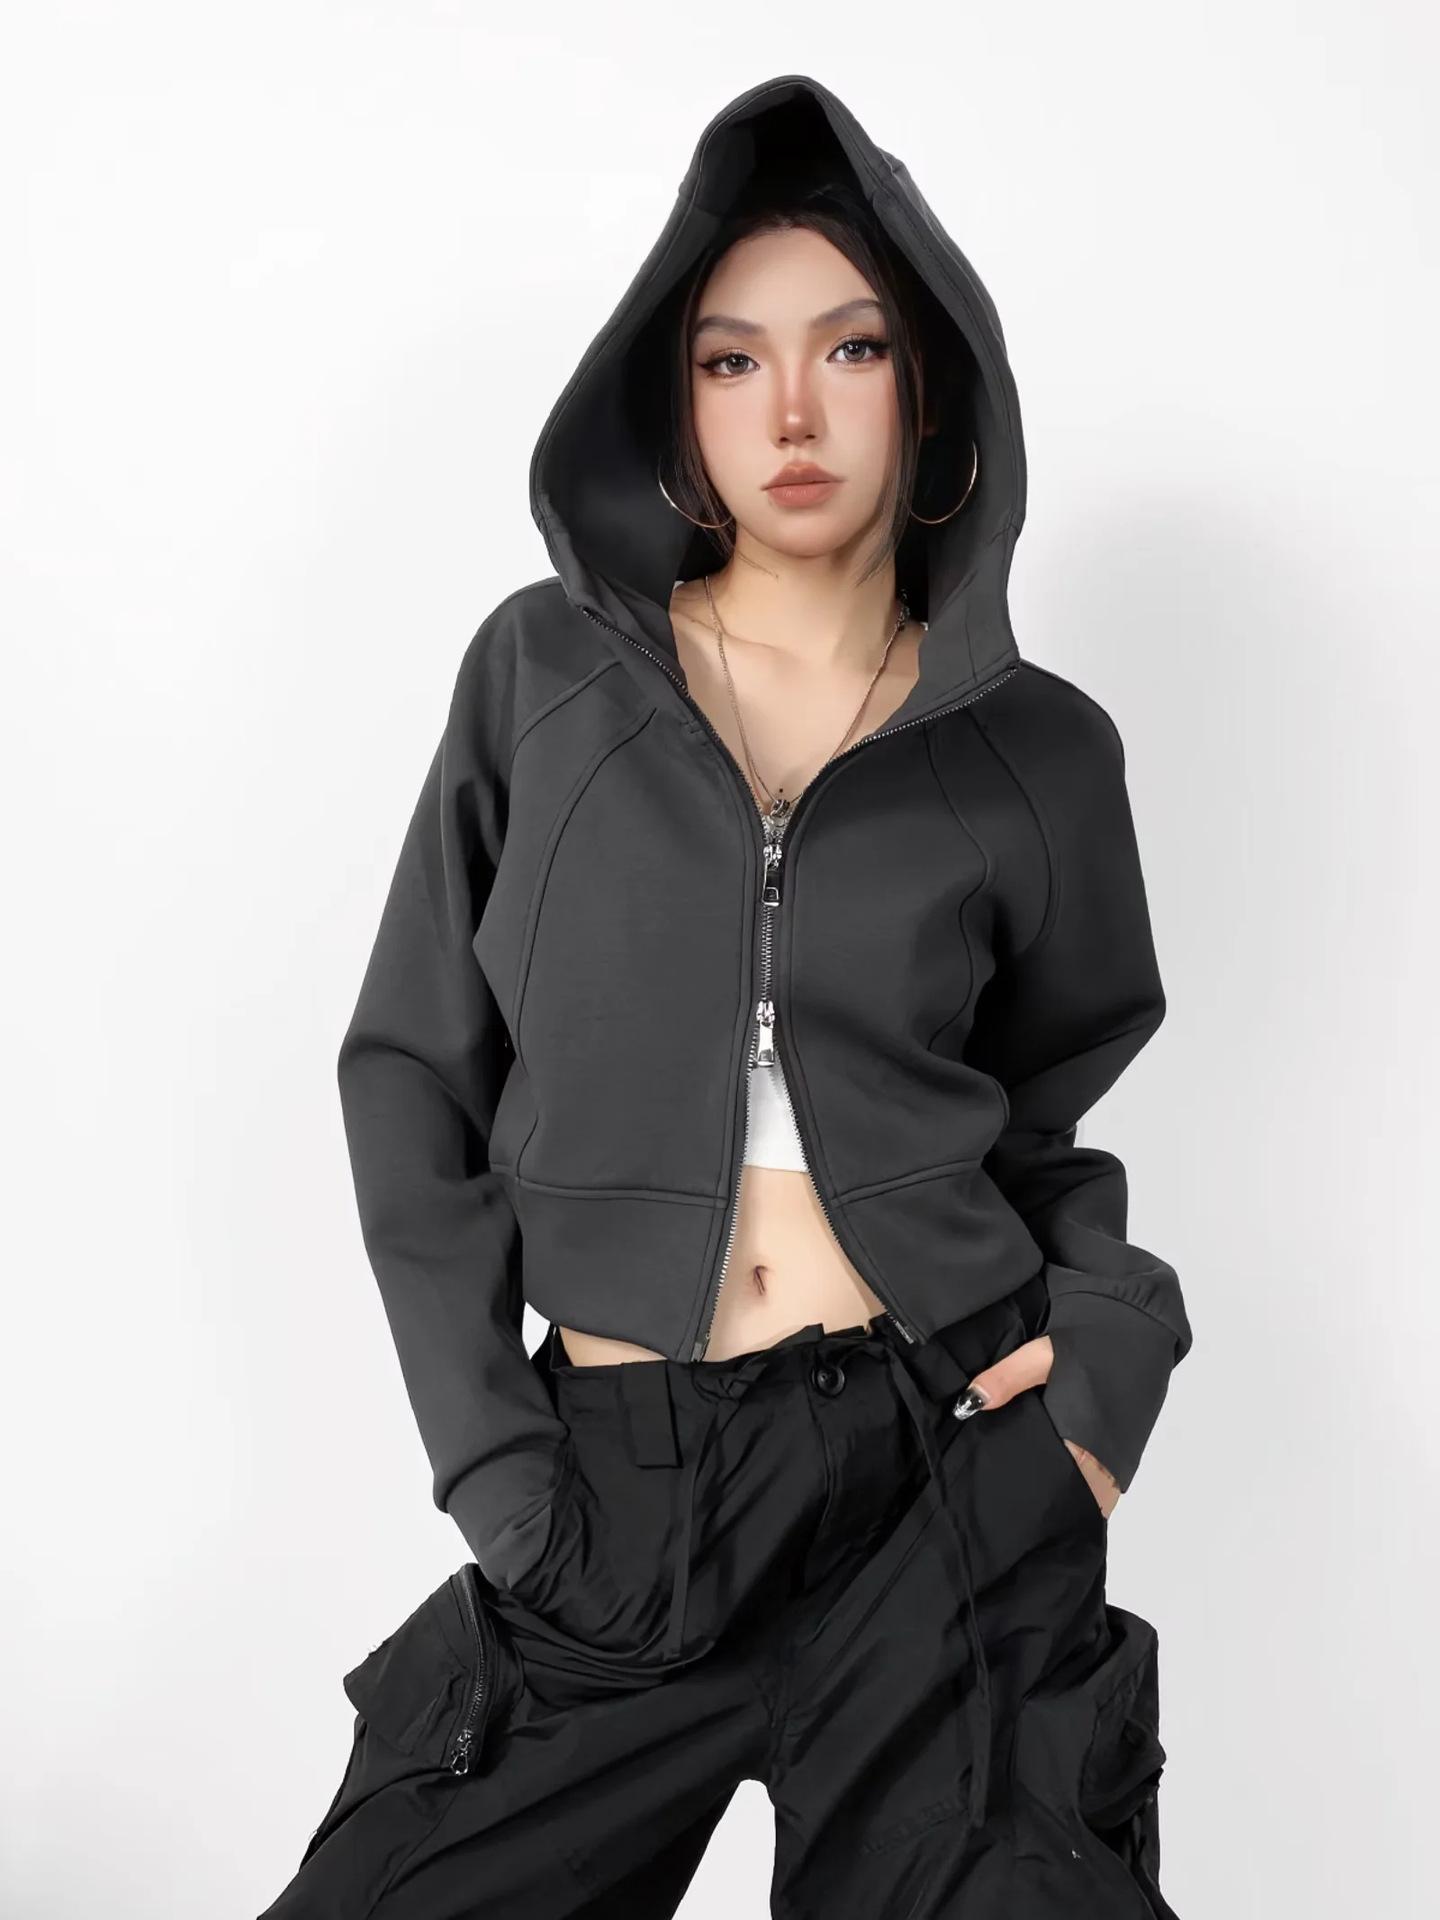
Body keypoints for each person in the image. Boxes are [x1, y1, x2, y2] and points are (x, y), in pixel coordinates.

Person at [258, 71, 1191, 1920]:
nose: (792, 412)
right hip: (617, 1495)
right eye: (730, 360)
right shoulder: (547, 682)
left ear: (928, 390)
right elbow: (410, 1072)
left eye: (851, 349)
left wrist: (1095, 1389)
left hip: (939, 1473)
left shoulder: (1039, 753)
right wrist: (500, 1473)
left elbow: (1042, 1119)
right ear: (673, 405)